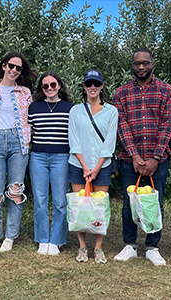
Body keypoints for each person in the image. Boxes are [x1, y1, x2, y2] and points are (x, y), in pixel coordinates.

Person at [113, 48, 171, 266]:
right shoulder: (121, 93)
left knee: (155, 202)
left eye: (145, 63)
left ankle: (152, 246)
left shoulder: (167, 91)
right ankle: (129, 245)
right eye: (136, 64)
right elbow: (122, 126)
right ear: (132, 66)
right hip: (129, 158)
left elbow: (167, 125)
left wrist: (155, 157)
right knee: (128, 203)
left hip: (157, 158)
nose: (141, 67)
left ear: (152, 64)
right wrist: (134, 156)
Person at [0, 51, 36, 252]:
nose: (13, 70)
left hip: (18, 143)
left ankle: (10, 236)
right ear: (3, 66)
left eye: (18, 68)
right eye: (10, 66)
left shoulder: (25, 92)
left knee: (15, 191)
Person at [67, 70, 118, 264]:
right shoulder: (75, 110)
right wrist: (84, 165)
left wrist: (96, 168)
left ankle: (98, 248)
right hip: (77, 164)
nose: (93, 87)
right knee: (80, 207)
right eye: (89, 84)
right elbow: (74, 139)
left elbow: (110, 143)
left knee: (99, 207)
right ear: (84, 86)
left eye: (96, 83)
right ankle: (82, 247)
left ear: (102, 86)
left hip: (102, 166)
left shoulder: (111, 111)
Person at [29, 71, 73, 255]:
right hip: (38, 157)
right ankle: (42, 239)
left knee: (60, 200)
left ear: (59, 86)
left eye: (52, 85)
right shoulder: (34, 107)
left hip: (61, 157)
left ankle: (56, 240)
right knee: (40, 200)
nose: (49, 88)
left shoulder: (70, 108)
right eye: (45, 86)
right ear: (41, 88)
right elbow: (29, 133)